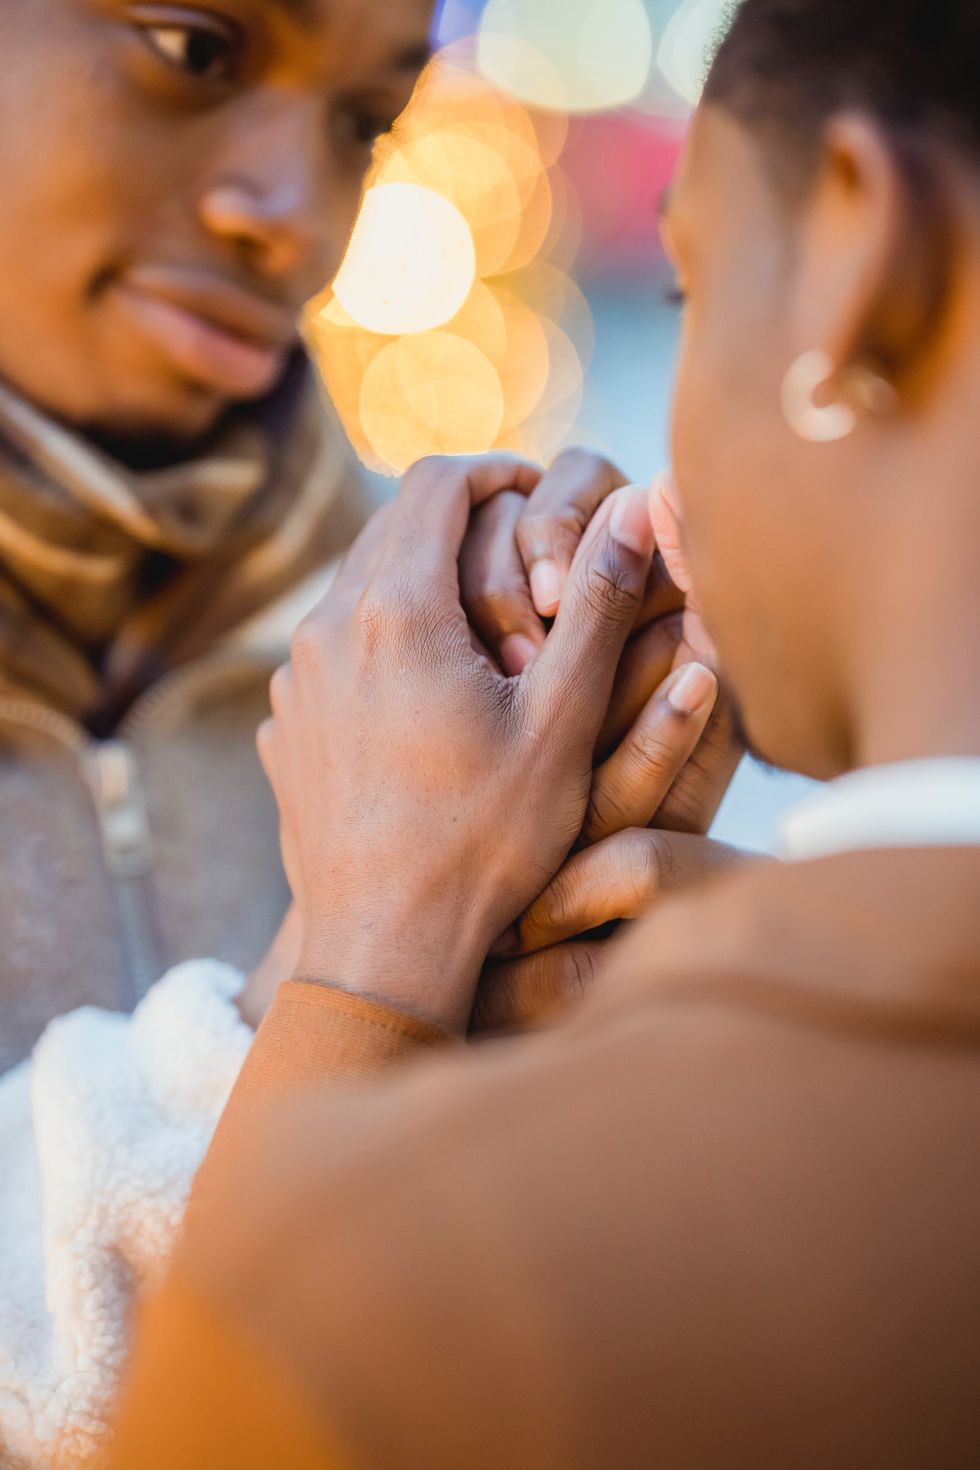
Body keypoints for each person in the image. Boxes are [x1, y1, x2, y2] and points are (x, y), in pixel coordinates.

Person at [110, 0, 980, 1464]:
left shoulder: (394, 1301)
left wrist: (372, 990)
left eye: (690, 288)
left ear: (856, 249)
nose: (293, 221)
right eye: (195, 50)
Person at [0, 4, 741, 1463]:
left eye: (365, 122)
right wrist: (350, 987)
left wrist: (591, 994)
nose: (295, 215)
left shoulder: (427, 643)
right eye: (193, 48)